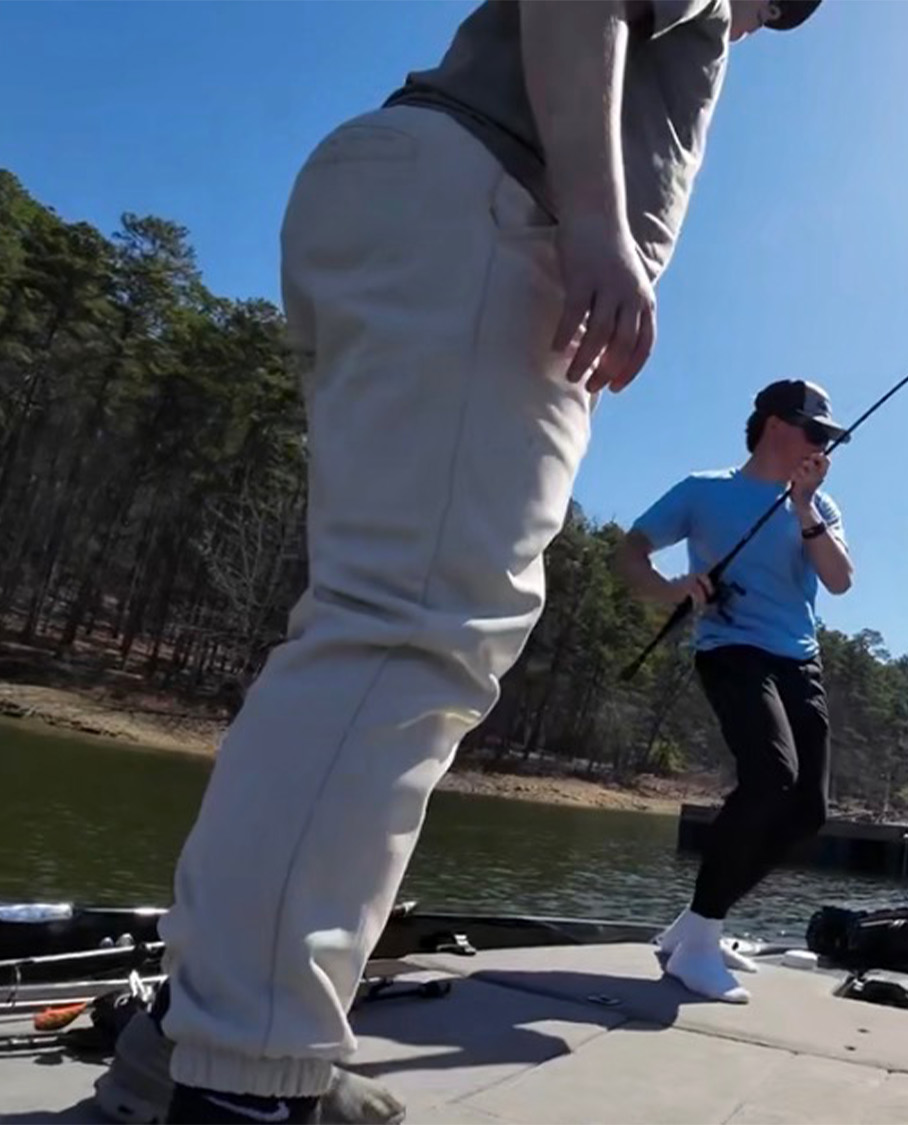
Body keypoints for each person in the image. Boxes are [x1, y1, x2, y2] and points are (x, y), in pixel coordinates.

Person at [92, 3, 825, 1123]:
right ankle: (243, 1075)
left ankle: (192, 1039)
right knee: (410, 635)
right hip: (490, 211)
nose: (762, 29)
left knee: (371, 627)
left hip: (408, 186)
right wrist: (593, 218)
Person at [613, 377, 855, 1004]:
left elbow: (840, 581)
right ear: (777, 425)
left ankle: (693, 927)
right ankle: (700, 941)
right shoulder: (703, 491)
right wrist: (675, 589)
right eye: (815, 432)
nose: (823, 447)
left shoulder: (819, 508)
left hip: (799, 662)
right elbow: (629, 555)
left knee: (807, 812)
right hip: (730, 651)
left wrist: (803, 508)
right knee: (770, 778)